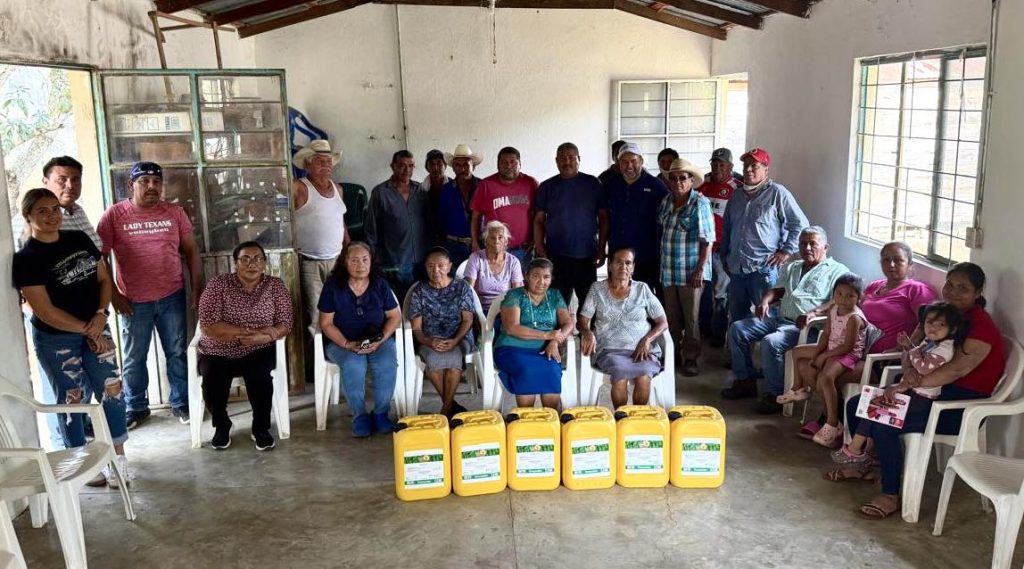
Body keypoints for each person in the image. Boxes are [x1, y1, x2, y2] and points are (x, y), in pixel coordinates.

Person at [831, 263, 1005, 520]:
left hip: (959, 404)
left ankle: (890, 494)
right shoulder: (940, 314)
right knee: (857, 404)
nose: (953, 292)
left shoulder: (981, 326)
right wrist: (909, 371)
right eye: (950, 285)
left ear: (978, 292)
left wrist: (906, 384)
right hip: (927, 391)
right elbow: (912, 349)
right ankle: (865, 464)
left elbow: (956, 370)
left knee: (883, 421)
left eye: (963, 288)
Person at [13, 188, 131, 487]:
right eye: (42, 211)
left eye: (55, 209)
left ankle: (119, 458)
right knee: (72, 399)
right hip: (57, 339)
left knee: (112, 389)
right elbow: (45, 311)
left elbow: (103, 279)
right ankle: (81, 464)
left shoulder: (78, 239)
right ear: (28, 216)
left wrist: (101, 314)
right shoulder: (26, 258)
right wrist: (90, 330)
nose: (51, 216)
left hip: (96, 324)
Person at [97, 161, 201, 429]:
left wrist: (197, 289)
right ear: (131, 185)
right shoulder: (114, 215)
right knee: (134, 358)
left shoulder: (175, 213)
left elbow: (191, 250)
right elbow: (100, 258)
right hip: (133, 301)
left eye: (156, 182)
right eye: (144, 181)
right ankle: (136, 406)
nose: (151, 187)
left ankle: (181, 403)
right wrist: (113, 295)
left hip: (172, 295)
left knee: (176, 352)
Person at [11, 156, 102, 448]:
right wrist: (85, 327)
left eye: (75, 179)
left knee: (87, 390)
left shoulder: (77, 216)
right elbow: (33, 296)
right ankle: (66, 448)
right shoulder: (24, 234)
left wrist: (99, 314)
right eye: (62, 179)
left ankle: (84, 443)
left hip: (88, 321)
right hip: (54, 328)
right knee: (63, 393)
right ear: (46, 182)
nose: (69, 185)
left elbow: (96, 267)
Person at [723, 226, 849, 414]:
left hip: (807, 328)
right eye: (803, 244)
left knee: (771, 342)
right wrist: (765, 301)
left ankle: (776, 394)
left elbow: (838, 301)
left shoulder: (838, 271)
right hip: (780, 318)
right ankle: (745, 381)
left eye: (812, 244)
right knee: (738, 329)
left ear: (825, 247)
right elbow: (778, 290)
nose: (806, 248)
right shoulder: (793, 266)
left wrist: (814, 313)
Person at [832, 302, 966, 466]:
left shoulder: (945, 349)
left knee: (877, 407)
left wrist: (910, 348)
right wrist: (910, 349)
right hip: (912, 391)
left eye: (941, 324)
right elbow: (914, 360)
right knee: (870, 404)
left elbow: (922, 368)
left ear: (952, 329)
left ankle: (855, 450)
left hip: (921, 399)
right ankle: (865, 452)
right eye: (929, 322)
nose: (933, 327)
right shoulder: (931, 341)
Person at [196, 241, 293, 451]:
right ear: (235, 263)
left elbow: (285, 323)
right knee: (212, 379)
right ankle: (222, 425)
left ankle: (260, 428)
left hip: (258, 348)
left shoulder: (275, 286)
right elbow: (208, 326)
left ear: (264, 263)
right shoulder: (218, 285)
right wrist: (248, 333)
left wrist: (267, 337)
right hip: (218, 349)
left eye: (257, 259)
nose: (252, 264)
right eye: (245, 259)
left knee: (260, 377)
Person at [318, 242, 402, 437]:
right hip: (341, 342)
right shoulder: (333, 287)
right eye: (354, 260)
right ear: (344, 262)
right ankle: (360, 415)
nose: (360, 265)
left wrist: (380, 339)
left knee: (386, 362)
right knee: (353, 364)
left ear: (371, 262)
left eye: (365, 260)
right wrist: (347, 344)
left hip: (377, 340)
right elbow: (326, 323)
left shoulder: (379, 284)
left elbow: (394, 316)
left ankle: (381, 413)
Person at [778, 274, 868, 447]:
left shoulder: (854, 318)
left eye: (850, 296)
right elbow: (826, 334)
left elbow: (848, 347)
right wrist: (818, 353)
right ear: (833, 294)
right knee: (797, 352)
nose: (843, 299)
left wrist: (824, 356)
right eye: (839, 294)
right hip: (831, 348)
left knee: (826, 377)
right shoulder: (833, 308)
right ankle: (798, 388)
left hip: (847, 355)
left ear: (859, 298)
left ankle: (832, 423)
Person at [720, 148, 808, 324]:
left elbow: (800, 223)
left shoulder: (777, 193)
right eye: (746, 165)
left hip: (763, 269)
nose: (748, 170)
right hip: (736, 268)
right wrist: (725, 257)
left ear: (766, 169)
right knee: (737, 319)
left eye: (754, 166)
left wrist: (786, 251)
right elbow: (727, 228)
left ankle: (767, 343)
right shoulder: (736, 195)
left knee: (768, 318)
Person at [578, 248, 669, 408]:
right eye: (618, 262)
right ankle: (621, 416)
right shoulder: (597, 289)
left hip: (641, 349)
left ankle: (636, 417)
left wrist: (647, 340)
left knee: (644, 377)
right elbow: (583, 319)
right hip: (610, 349)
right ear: (610, 266)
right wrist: (587, 332)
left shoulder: (642, 289)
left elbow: (662, 322)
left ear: (633, 267)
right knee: (620, 376)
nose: (623, 267)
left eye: (628, 263)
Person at [292, 139, 348, 383]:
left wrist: (349, 249)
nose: (326, 165)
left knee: (339, 312)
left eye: (329, 161)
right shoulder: (299, 188)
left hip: (336, 261)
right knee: (315, 316)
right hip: (309, 262)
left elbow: (341, 223)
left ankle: (335, 358)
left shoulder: (338, 189)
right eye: (320, 161)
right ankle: (317, 367)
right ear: (307, 164)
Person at [657, 158, 715, 377]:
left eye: (683, 178)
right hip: (669, 270)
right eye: (673, 178)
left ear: (691, 180)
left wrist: (700, 269)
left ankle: (690, 358)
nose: (678, 182)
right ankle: (672, 355)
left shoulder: (700, 203)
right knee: (671, 318)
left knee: (691, 319)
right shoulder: (666, 201)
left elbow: (708, 240)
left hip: (691, 272)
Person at [533, 142, 608, 307]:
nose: (566, 162)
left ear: (579, 159)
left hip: (586, 255)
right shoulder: (546, 187)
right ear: (556, 161)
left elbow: (603, 218)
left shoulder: (593, 184)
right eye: (562, 158)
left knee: (588, 305)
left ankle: (585, 326)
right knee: (557, 305)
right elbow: (538, 220)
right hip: (556, 256)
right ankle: (561, 326)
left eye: (571, 157)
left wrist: (602, 248)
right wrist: (540, 248)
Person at [493, 258, 573, 409]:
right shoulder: (515, 295)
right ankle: (526, 417)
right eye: (536, 276)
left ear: (551, 278)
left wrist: (554, 342)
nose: (541, 281)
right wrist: (548, 335)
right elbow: (512, 328)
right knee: (527, 370)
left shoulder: (555, 295)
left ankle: (550, 418)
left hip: (545, 349)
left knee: (551, 371)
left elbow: (568, 324)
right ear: (527, 276)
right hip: (512, 348)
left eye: (546, 277)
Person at [409, 247, 477, 419]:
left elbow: (468, 320)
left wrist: (455, 340)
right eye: (431, 266)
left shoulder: (461, 287)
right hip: (429, 339)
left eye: (441, 265)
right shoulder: (420, 291)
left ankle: (445, 410)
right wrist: (429, 341)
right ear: (425, 267)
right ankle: (451, 406)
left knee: (453, 361)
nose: (436, 270)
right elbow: (416, 328)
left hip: (459, 337)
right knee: (433, 362)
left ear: (449, 266)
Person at [365, 150, 431, 302]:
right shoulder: (380, 193)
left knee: (421, 301)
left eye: (411, 166)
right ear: (392, 166)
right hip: (396, 261)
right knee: (401, 301)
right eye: (401, 165)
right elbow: (371, 230)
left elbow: (429, 223)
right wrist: (373, 259)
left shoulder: (420, 190)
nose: (407, 170)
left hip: (422, 258)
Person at [604, 142, 669, 294]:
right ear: (618, 163)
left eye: (633, 161)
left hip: (647, 255)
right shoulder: (610, 185)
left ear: (641, 161)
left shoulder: (656, 186)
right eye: (624, 162)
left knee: (644, 295)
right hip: (617, 255)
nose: (629, 166)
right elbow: (603, 216)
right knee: (617, 292)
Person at [698, 148, 741, 346]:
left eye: (721, 164)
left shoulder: (737, 187)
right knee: (702, 290)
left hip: (723, 251)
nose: (717, 167)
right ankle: (704, 329)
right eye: (714, 163)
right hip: (702, 249)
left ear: (730, 166)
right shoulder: (702, 184)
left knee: (721, 293)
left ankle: (718, 333)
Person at [469, 146, 538, 266]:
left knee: (522, 279)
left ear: (520, 164)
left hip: (523, 250)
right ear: (498, 165)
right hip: (494, 249)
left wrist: (536, 239)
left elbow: (537, 215)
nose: (508, 166)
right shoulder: (486, 185)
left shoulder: (530, 183)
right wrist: (475, 242)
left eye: (513, 162)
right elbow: (476, 217)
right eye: (504, 162)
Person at [436, 144, 484, 271]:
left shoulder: (483, 186)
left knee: (480, 279)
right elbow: (441, 221)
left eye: (466, 165)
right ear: (453, 168)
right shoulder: (446, 190)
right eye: (458, 165)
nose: (462, 169)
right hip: (453, 246)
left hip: (481, 245)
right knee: (455, 278)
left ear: (473, 166)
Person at [464, 221, 524, 314]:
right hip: (481, 310)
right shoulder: (476, 258)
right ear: (486, 241)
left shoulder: (513, 262)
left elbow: (517, 293)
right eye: (492, 238)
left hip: (505, 310)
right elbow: (468, 290)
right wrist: (476, 313)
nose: (496, 241)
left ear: (506, 242)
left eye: (500, 237)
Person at [421, 148, 451, 216]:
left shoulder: (454, 186)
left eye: (439, 164)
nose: (435, 168)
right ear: (427, 168)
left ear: (445, 166)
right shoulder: (420, 189)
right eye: (432, 164)